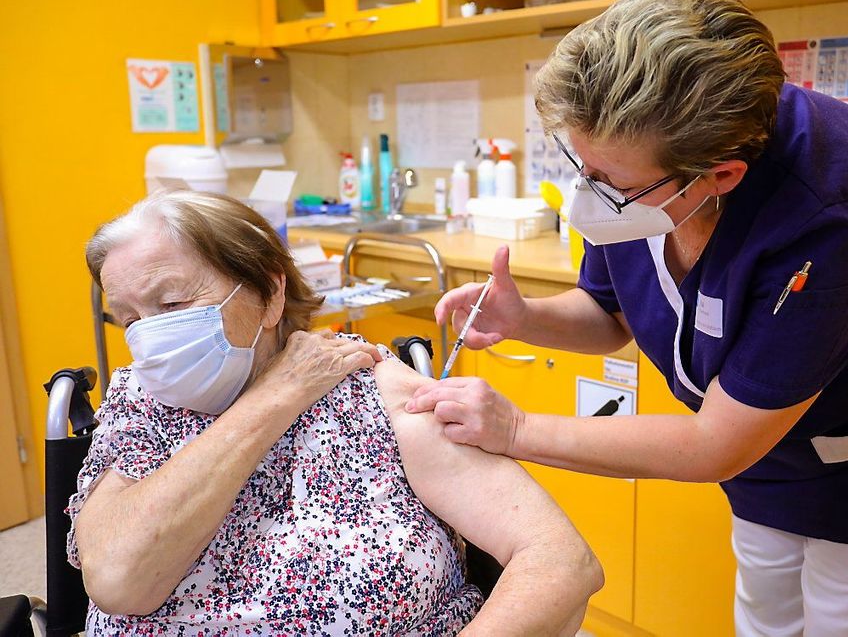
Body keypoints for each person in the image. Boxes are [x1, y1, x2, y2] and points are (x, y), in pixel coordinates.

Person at [403, 0, 848, 634]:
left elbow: (712, 445)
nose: (589, 189)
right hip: (761, 436)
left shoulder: (831, 206)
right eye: (582, 165)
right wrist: (525, 316)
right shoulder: (642, 171)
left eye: (608, 179)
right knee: (767, 609)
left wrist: (515, 429)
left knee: (847, 620)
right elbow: (611, 316)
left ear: (718, 177)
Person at [68, 189, 603, 635]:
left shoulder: (369, 386)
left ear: (271, 293)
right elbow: (119, 580)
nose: (151, 339)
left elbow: (559, 560)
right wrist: (275, 398)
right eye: (130, 318)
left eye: (173, 304)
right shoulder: (142, 401)